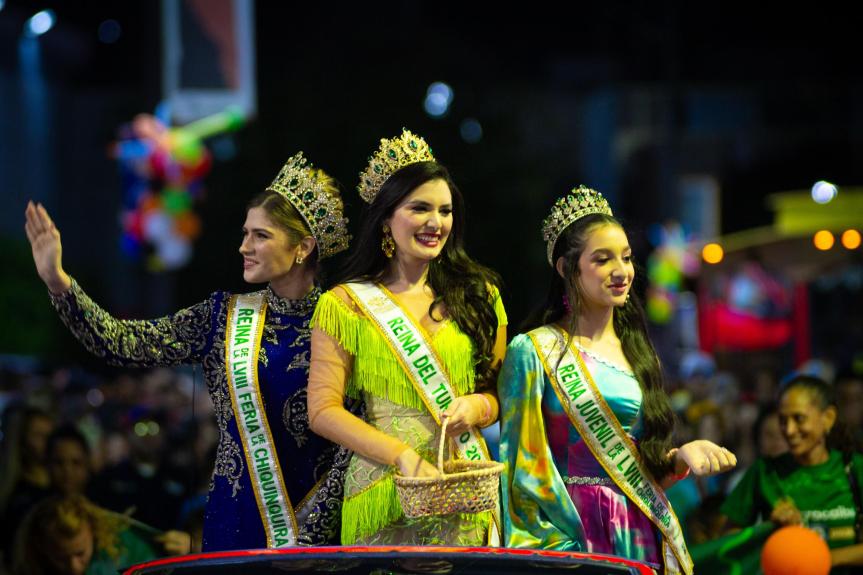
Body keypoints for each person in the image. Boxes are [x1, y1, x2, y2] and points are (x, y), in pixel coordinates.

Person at [23, 152, 351, 550]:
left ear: (303, 247)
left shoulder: (344, 320)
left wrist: (315, 526)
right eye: (245, 233)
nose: (243, 246)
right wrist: (58, 281)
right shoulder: (222, 318)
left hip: (322, 527)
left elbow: (359, 432)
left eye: (260, 236)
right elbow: (122, 343)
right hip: (235, 523)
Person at [498, 187, 736, 574]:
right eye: (603, 259)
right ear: (565, 268)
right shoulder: (533, 350)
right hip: (570, 532)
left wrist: (679, 458)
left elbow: (643, 459)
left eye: (626, 258)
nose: (622, 271)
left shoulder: (640, 352)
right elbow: (521, 466)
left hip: (637, 526)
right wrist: (547, 549)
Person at [307, 129, 506, 545]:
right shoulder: (345, 304)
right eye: (419, 208)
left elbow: (502, 392)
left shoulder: (480, 295)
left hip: (463, 485)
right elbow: (322, 411)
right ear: (386, 217)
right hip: (382, 490)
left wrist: (479, 405)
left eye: (446, 211)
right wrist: (401, 455)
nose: (436, 223)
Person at [722, 374, 863, 572]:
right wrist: (768, 529)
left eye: (799, 419)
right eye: (782, 420)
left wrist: (819, 559)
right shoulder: (764, 471)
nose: (788, 430)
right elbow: (729, 541)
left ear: (828, 418)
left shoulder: (856, 469)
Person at [13, 494, 170, 575]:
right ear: (42, 546)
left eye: (80, 553)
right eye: (60, 558)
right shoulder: (32, 565)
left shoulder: (127, 547)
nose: (74, 567)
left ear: (93, 531)